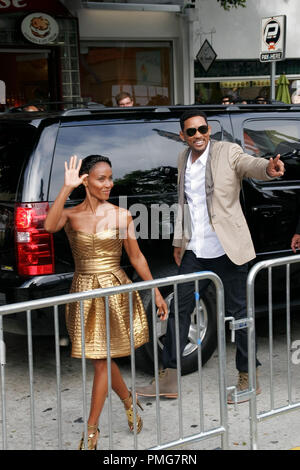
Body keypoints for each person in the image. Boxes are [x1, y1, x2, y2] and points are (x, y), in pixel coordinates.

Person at [136, 109, 285, 404]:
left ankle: (248, 376)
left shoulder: (227, 151)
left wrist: (268, 169)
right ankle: (169, 376)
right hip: (196, 251)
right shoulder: (183, 159)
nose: (198, 135)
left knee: (239, 315)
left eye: (202, 129)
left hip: (227, 250)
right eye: (191, 132)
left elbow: (250, 165)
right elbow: (184, 203)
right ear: (183, 136)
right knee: (179, 308)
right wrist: (180, 241)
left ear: (208, 130)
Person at [44, 154, 168, 450]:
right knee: (102, 358)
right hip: (84, 292)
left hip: (114, 291)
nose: (109, 184)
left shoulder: (121, 215)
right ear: (85, 180)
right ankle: (128, 399)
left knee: (101, 362)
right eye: (102, 178)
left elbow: (136, 256)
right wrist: (65, 188)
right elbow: (49, 226)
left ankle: (91, 432)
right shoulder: (71, 216)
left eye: (111, 178)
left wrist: (157, 291)